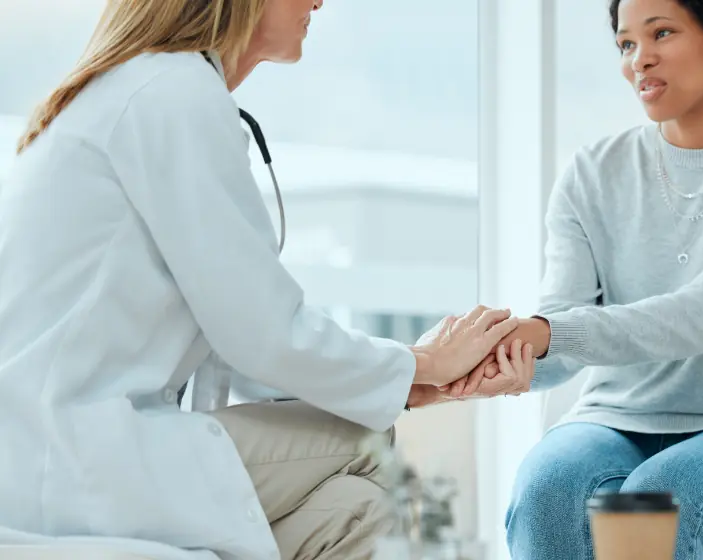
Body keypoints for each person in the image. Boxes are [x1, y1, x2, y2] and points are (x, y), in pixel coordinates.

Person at [0, 1, 534, 559]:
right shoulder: (171, 94)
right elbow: (263, 333)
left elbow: (249, 346)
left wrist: (423, 384)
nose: (320, 1)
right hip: (69, 455)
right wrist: (425, 366)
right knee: (365, 444)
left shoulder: (148, 90)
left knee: (359, 510)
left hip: (64, 450)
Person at [435, 0, 703, 558]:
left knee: (654, 503)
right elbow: (562, 334)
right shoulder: (592, 172)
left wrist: (546, 333)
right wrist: (503, 362)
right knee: (546, 493)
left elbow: (700, 317)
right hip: (611, 420)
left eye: (662, 33)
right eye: (626, 44)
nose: (639, 61)